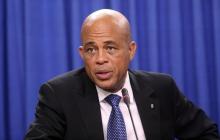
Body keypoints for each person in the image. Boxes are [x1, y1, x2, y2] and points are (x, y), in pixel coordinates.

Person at [25, 9, 220, 140]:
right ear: (82, 53)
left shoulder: (162, 88)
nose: (100, 59)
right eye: (91, 50)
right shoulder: (59, 94)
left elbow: (207, 134)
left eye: (110, 48)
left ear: (131, 50)